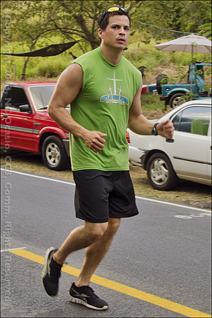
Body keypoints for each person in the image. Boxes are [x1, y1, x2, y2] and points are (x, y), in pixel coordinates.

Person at [42, 6, 174, 311]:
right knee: (96, 227)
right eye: (115, 27)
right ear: (101, 32)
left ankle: (81, 286)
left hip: (117, 159)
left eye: (126, 28)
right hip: (89, 159)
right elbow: (56, 108)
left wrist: (156, 127)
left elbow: (135, 119)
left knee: (112, 225)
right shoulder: (81, 68)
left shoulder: (131, 73)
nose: (122, 33)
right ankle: (57, 259)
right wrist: (83, 132)